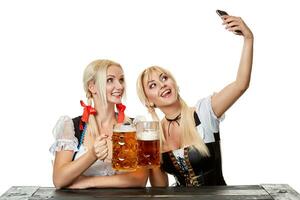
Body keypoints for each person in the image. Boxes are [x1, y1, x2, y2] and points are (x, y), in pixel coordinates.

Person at [136, 14, 253, 187]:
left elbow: (240, 85)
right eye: (153, 85)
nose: (162, 85)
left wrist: (248, 39)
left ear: (174, 83)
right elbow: (160, 189)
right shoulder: (154, 135)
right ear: (149, 101)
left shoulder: (203, 112)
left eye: (164, 78)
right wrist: (150, 159)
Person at [49, 59, 148, 189]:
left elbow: (139, 179)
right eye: (110, 80)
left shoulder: (134, 126)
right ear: (92, 87)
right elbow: (59, 179)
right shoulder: (71, 127)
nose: (119, 86)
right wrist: (92, 155)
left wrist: (88, 182)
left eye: (121, 79)